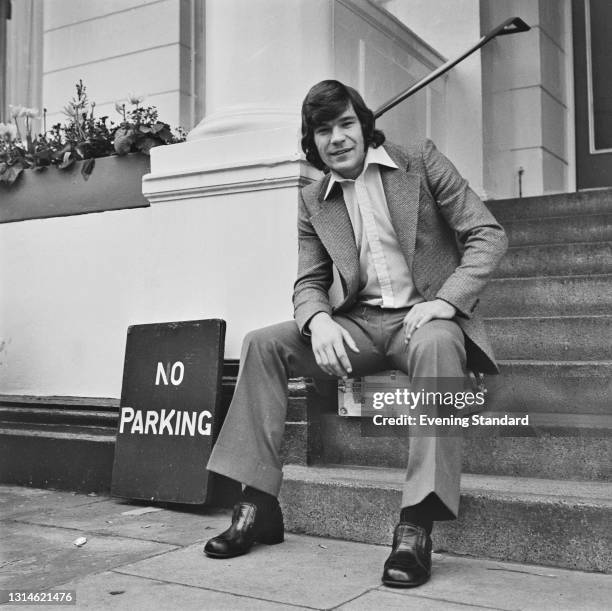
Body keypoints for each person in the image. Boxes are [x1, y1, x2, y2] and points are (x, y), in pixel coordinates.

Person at [203, 79, 507, 587]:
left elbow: (486, 234)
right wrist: (318, 319)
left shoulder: (421, 161)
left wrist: (444, 301)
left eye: (346, 124)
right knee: (262, 343)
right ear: (312, 142)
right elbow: (309, 281)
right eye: (323, 131)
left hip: (423, 322)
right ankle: (257, 504)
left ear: (364, 127)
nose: (337, 138)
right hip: (360, 326)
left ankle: (416, 525)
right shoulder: (312, 199)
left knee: (435, 344)